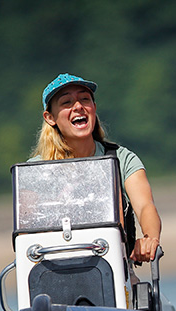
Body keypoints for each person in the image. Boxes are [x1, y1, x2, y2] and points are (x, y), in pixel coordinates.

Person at [29, 73, 161, 264]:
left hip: (113, 270)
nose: (78, 107)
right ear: (50, 118)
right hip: (56, 270)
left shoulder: (121, 158)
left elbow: (145, 206)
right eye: (67, 102)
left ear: (94, 108)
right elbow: (27, 228)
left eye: (85, 99)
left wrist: (150, 238)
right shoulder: (36, 170)